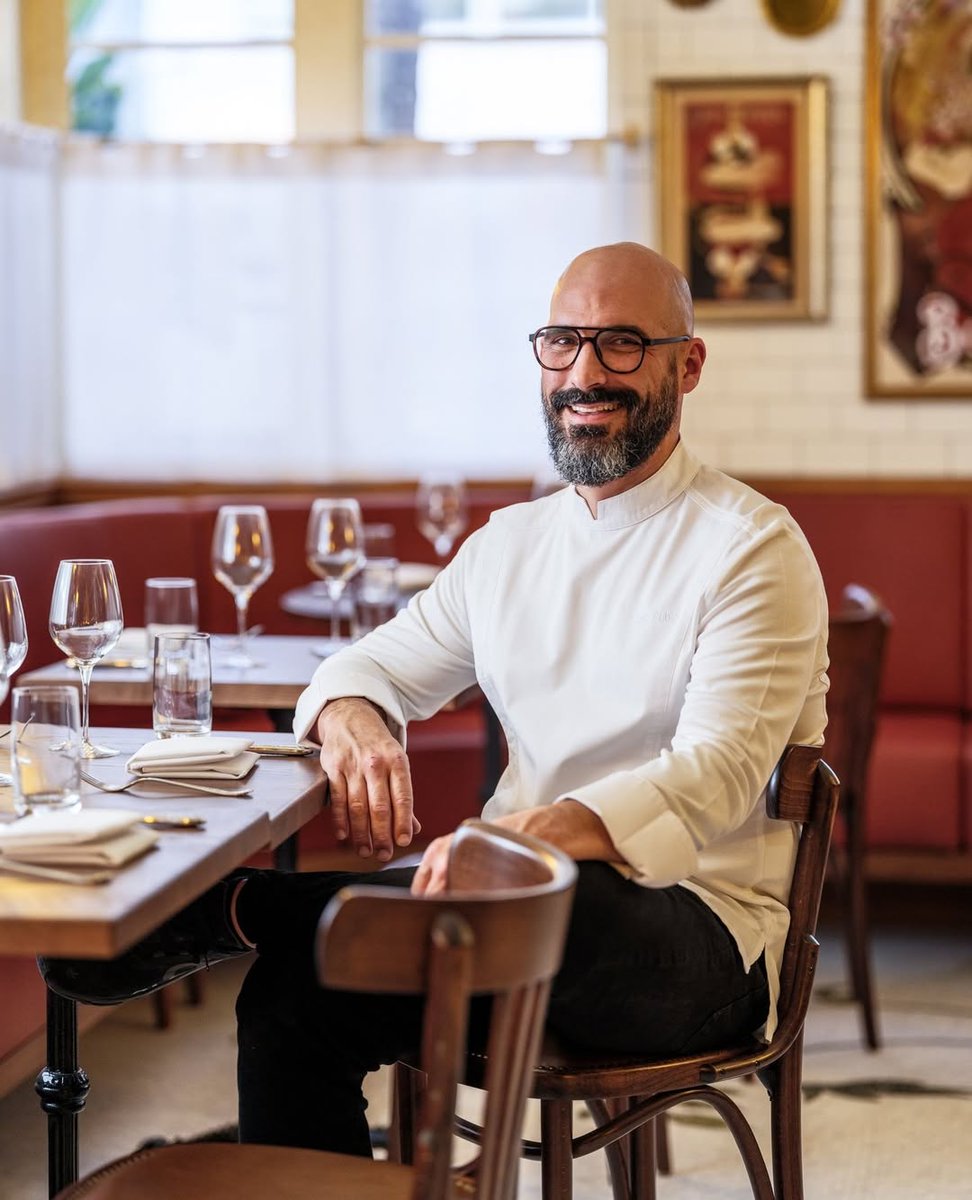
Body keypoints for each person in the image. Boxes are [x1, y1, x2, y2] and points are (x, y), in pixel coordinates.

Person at [41, 241, 829, 1158]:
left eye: (621, 344)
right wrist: (353, 720)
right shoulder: (511, 546)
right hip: (497, 913)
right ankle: (259, 929)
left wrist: (527, 835)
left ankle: (229, 910)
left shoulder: (752, 548)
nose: (584, 374)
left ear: (686, 365)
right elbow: (366, 666)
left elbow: (716, 776)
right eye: (562, 342)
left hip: (698, 940)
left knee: (547, 899)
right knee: (297, 989)